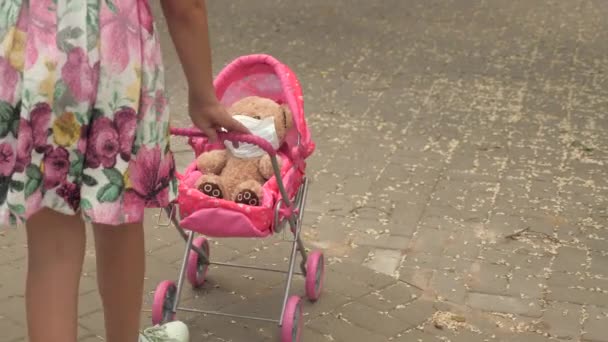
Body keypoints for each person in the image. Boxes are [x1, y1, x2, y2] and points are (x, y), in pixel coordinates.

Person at [0, 0, 248, 341]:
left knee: (52, 246)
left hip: (31, 46)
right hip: (113, 47)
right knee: (119, 212)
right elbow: (184, 6)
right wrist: (204, 96)